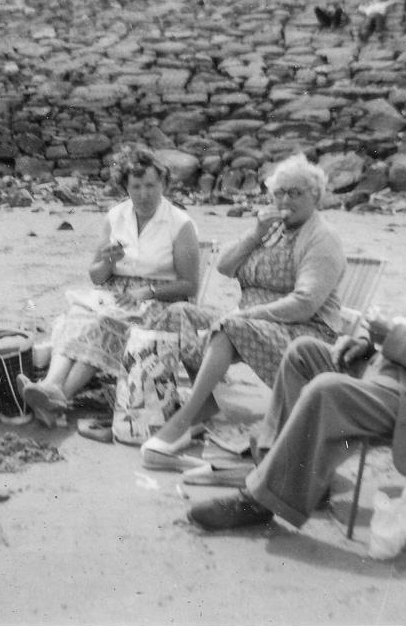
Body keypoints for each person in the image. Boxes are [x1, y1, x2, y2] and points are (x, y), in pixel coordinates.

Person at [186, 157, 406, 531]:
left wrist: (392, 339)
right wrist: (369, 344)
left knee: (328, 389)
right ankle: (276, 469)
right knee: (303, 353)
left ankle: (259, 501)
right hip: (405, 380)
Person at [141, 154, 346, 465]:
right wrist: (255, 234)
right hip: (256, 323)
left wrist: (247, 315)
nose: (284, 200)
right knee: (179, 313)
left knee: (229, 327)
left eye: (295, 193)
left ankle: (183, 420)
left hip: (306, 333)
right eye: (279, 192)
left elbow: (305, 303)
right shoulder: (273, 229)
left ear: (315, 195)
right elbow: (224, 265)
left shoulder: (321, 237)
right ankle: (205, 406)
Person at [16, 143, 201, 427]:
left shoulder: (179, 223)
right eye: (136, 186)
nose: (143, 194)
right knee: (76, 316)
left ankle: (60, 396)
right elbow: (96, 276)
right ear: (125, 187)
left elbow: (190, 285)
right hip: (115, 293)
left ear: (163, 184)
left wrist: (147, 291)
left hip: (160, 300)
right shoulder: (117, 216)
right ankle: (51, 386)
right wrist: (108, 261)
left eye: (150, 186)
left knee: (104, 323)